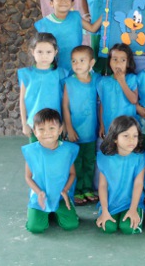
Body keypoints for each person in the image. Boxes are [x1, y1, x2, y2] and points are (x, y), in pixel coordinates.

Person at [22, 108, 79, 234]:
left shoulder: (67, 150)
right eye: (41, 129)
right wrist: (39, 193)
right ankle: (39, 212)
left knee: (71, 225)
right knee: (35, 228)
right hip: (40, 197)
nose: (46, 133)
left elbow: (72, 173)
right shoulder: (32, 152)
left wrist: (65, 190)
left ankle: (54, 212)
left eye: (52, 128)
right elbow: (28, 177)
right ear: (35, 132)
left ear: (60, 130)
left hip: (60, 197)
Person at [62, 45, 100, 206]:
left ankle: (87, 188)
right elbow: (65, 106)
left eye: (82, 60)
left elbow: (100, 104)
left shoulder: (96, 80)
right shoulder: (69, 82)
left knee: (89, 161)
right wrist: (68, 128)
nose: (77, 64)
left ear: (92, 62)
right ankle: (76, 190)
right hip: (74, 132)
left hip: (91, 131)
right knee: (76, 162)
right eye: (74, 61)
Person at [96, 116, 145, 234]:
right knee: (108, 228)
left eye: (135, 136)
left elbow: (138, 184)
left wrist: (133, 210)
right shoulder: (105, 158)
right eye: (126, 136)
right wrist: (104, 210)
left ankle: (136, 212)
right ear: (115, 138)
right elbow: (102, 186)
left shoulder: (139, 158)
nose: (131, 140)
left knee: (127, 228)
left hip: (132, 202)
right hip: (111, 202)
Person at [34, 0, 102, 73]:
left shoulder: (75, 16)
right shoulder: (43, 24)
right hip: (56, 69)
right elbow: (41, 50)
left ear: (72, 3)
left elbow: (92, 29)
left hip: (76, 66)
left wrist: (104, 14)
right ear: (51, 3)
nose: (63, 2)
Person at [18, 33, 68, 143]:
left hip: (55, 124)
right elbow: (22, 100)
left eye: (48, 52)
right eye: (40, 52)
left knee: (55, 153)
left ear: (55, 52)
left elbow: (65, 101)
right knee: (36, 155)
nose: (44, 56)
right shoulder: (26, 74)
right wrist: (24, 123)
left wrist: (64, 122)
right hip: (34, 124)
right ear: (32, 52)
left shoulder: (61, 73)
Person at [97, 43, 138, 137]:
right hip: (109, 125)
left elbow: (133, 100)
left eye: (123, 60)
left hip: (128, 127)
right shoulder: (103, 81)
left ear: (128, 63)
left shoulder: (132, 79)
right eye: (114, 59)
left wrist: (122, 82)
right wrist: (102, 125)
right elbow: (102, 105)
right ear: (109, 62)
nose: (118, 63)